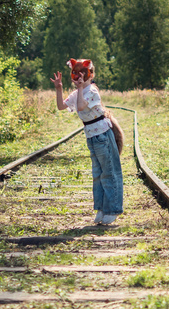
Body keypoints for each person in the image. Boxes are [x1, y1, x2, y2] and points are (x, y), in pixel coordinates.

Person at [50, 58, 123, 225]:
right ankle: (101, 209)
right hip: (92, 136)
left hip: (103, 135)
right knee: (97, 174)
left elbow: (82, 107)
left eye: (82, 74)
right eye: (75, 74)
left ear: (90, 75)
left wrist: (81, 87)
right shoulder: (78, 93)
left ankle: (113, 209)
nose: (78, 77)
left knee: (109, 172)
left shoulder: (92, 91)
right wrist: (59, 88)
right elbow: (62, 106)